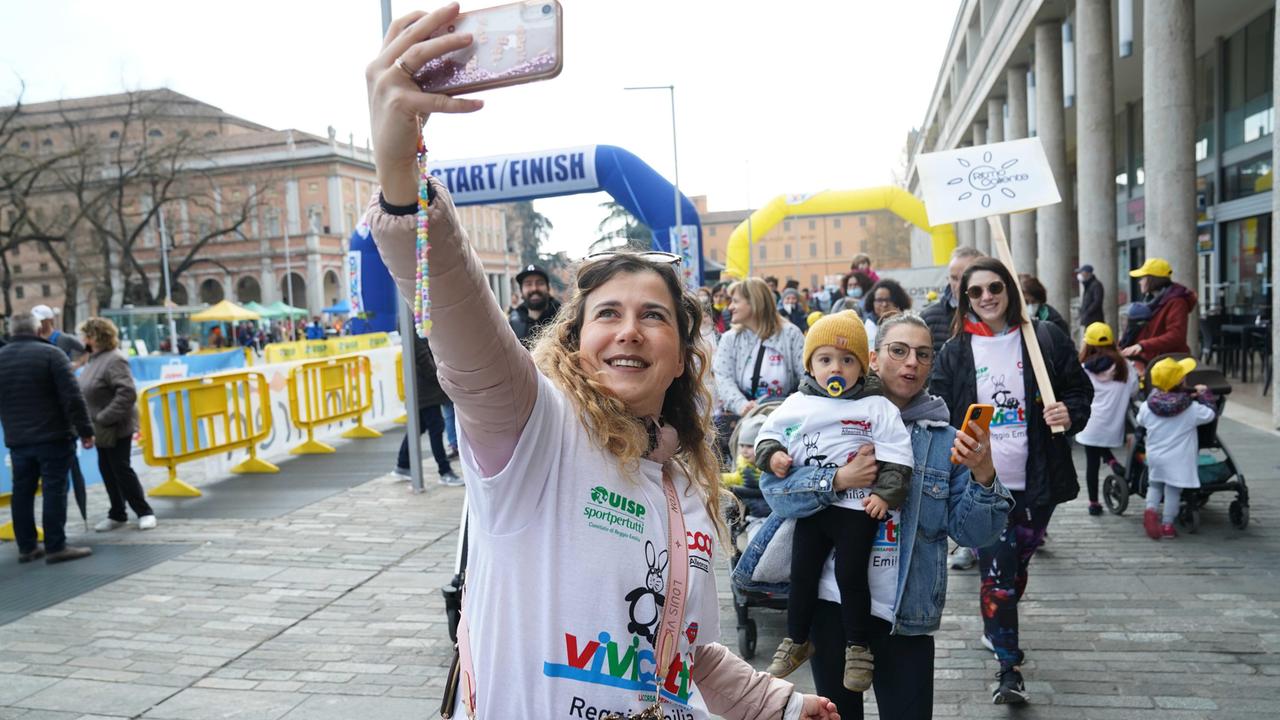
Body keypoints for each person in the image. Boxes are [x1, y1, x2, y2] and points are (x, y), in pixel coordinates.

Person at [363, 12, 839, 717]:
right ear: (575, 339)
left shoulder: (688, 480)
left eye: (654, 316)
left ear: (682, 356)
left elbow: (690, 648)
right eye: (608, 314)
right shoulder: (531, 431)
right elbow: (465, 334)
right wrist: (403, 182)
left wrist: (778, 704)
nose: (630, 332)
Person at [736, 312, 1012, 717]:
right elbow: (776, 493)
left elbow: (975, 534)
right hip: (830, 606)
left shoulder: (944, 441)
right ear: (874, 359)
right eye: (898, 351)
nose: (911, 363)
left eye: (923, 354)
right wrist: (837, 479)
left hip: (904, 614)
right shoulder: (817, 415)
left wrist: (984, 473)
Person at [928, 257, 1092, 705]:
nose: (986, 298)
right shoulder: (956, 350)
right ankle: (1008, 667)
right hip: (983, 484)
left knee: (1015, 570)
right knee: (997, 575)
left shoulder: (1044, 338)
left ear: (1010, 290)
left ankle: (996, 622)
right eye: (975, 291)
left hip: (1039, 479)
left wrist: (1068, 412)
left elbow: (1080, 393)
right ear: (965, 299)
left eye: (994, 288)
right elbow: (936, 406)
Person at [755, 312, 914, 693]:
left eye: (847, 360)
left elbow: (898, 455)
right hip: (814, 506)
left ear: (862, 366)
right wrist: (773, 455)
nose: (836, 368)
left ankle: (858, 646)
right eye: (825, 360)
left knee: (851, 575)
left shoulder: (876, 407)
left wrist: (885, 494)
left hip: (857, 509)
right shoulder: (797, 403)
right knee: (803, 573)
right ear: (811, 365)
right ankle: (797, 637)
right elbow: (768, 435)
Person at [0, 312, 95, 564]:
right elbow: (73, 397)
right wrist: (85, 430)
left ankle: (27, 547)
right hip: (53, 435)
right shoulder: (52, 354)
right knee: (54, 489)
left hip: (18, 439)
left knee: (22, 491)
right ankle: (55, 546)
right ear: (38, 330)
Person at [77, 317, 158, 532]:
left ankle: (144, 511)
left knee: (121, 469)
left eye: (84, 334)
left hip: (115, 425)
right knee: (107, 469)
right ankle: (117, 513)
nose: (82, 339)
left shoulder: (114, 360)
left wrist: (105, 416)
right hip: (101, 426)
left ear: (94, 337)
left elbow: (127, 392)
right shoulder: (94, 359)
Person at [713, 278, 806, 458]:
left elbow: (806, 377)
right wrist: (742, 405)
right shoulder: (730, 339)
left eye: (735, 301)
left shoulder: (791, 334)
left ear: (754, 302)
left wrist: (790, 405)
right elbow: (722, 377)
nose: (730, 307)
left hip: (785, 423)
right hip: (744, 423)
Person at [1136, 357, 1216, 540]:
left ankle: (1150, 511)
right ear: (1181, 381)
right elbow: (1210, 414)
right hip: (1178, 459)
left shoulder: (1148, 406)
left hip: (1156, 456)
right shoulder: (1191, 409)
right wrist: (1205, 395)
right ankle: (1167, 525)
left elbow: (1140, 421)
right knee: (1172, 491)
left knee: (1155, 485)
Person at [1075, 322, 1139, 516]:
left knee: (1091, 463)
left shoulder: (1083, 369)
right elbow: (1134, 391)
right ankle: (1111, 460)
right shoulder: (1126, 367)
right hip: (1114, 426)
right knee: (1098, 445)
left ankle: (1094, 503)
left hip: (1089, 425)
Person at [394, 334, 461, 486]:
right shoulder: (411, 323)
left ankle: (402, 464)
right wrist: (438, 376)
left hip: (424, 388)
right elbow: (422, 356)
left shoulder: (413, 321)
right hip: (425, 389)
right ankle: (444, 471)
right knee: (435, 427)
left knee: (420, 426)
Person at [1122, 257, 1196, 365]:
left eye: (1143, 278)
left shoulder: (1177, 302)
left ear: (1153, 279)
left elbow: (1176, 335)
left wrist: (1142, 346)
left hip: (1169, 364)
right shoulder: (1151, 300)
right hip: (1151, 360)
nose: (1140, 282)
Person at [921, 247, 982, 355]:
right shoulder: (929, 317)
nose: (959, 286)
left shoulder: (996, 315)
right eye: (954, 278)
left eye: (966, 278)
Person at [509, 263, 562, 347]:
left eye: (540, 283)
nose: (534, 288)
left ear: (548, 288)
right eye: (528, 284)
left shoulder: (563, 319)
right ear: (521, 291)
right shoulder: (514, 322)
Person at [861, 278, 910, 345]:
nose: (884, 304)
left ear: (898, 301)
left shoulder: (909, 324)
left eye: (889, 300)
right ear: (872, 302)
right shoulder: (864, 326)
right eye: (879, 300)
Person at [1076, 264, 1104, 329]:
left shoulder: (1096, 285)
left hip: (1094, 320)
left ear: (1088, 273)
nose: (1080, 275)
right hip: (1088, 319)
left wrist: (1087, 312)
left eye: (1081, 273)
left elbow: (1097, 301)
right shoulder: (1088, 285)